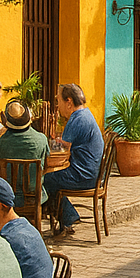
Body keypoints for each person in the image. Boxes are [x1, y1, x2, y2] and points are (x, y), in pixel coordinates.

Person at [43, 83, 103, 235]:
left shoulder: (77, 119)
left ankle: (68, 216)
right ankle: (66, 216)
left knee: (45, 179)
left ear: (68, 102)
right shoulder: (85, 115)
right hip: (92, 173)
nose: (58, 106)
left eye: (59, 101)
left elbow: (63, 148)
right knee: (49, 179)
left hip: (83, 176)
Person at [0, 100, 49, 215]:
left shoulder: (1, 144)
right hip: (34, 194)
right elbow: (47, 159)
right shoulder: (41, 139)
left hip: (7, 195)